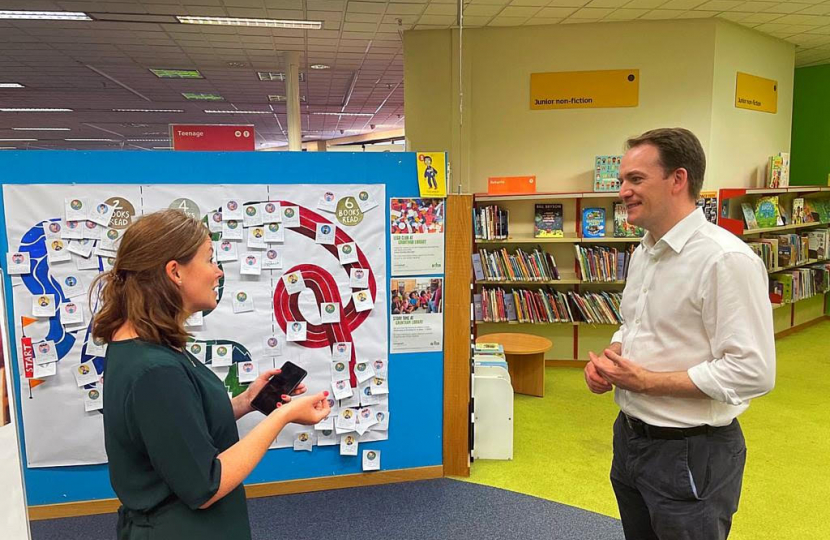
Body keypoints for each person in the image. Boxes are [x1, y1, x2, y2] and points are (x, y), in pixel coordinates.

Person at [584, 128, 775, 540]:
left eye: (636, 179)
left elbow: (753, 372)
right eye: (622, 181)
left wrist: (649, 383)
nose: (623, 191)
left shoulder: (725, 260)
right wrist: (611, 358)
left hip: (692, 452)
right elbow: (634, 325)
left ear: (678, 180)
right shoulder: (644, 251)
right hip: (632, 439)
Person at [94, 210, 330, 540]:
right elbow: (205, 485)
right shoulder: (155, 369)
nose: (218, 272)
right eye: (209, 259)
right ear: (175, 271)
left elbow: (175, 427)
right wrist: (285, 416)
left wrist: (246, 402)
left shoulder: (144, 344)